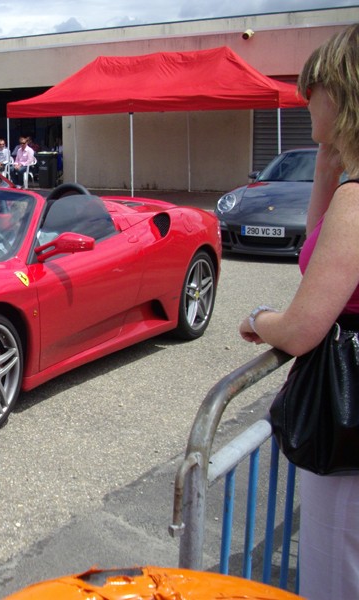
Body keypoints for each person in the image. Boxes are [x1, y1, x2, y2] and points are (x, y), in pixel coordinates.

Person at [238, 23, 359, 599]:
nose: (303, 98)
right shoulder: (349, 191)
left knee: (334, 569)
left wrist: (259, 320)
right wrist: (329, 159)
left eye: (313, 88)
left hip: (349, 427)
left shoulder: (358, 203)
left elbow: (305, 327)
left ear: (341, 94)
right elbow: (317, 254)